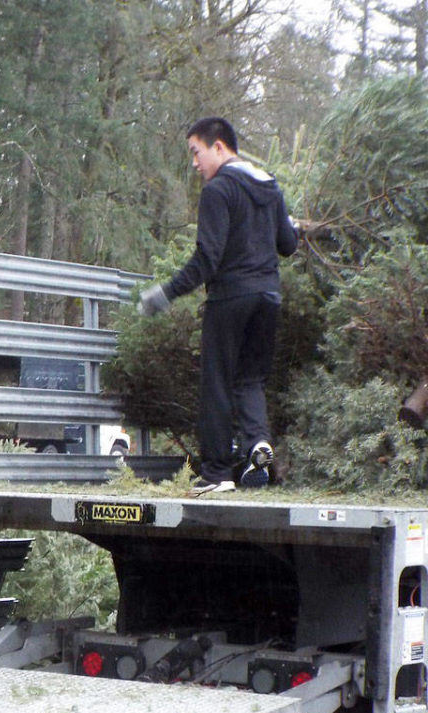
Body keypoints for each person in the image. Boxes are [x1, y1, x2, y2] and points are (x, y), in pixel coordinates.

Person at [139, 116, 297, 496]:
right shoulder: (269, 186)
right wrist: (288, 222)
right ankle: (258, 443)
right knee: (250, 380)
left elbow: (207, 258)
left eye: (196, 152)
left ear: (219, 147)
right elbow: (288, 244)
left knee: (216, 384)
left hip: (230, 298)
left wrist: (166, 293)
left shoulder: (218, 191)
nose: (194, 163)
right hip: (268, 298)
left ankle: (216, 473)